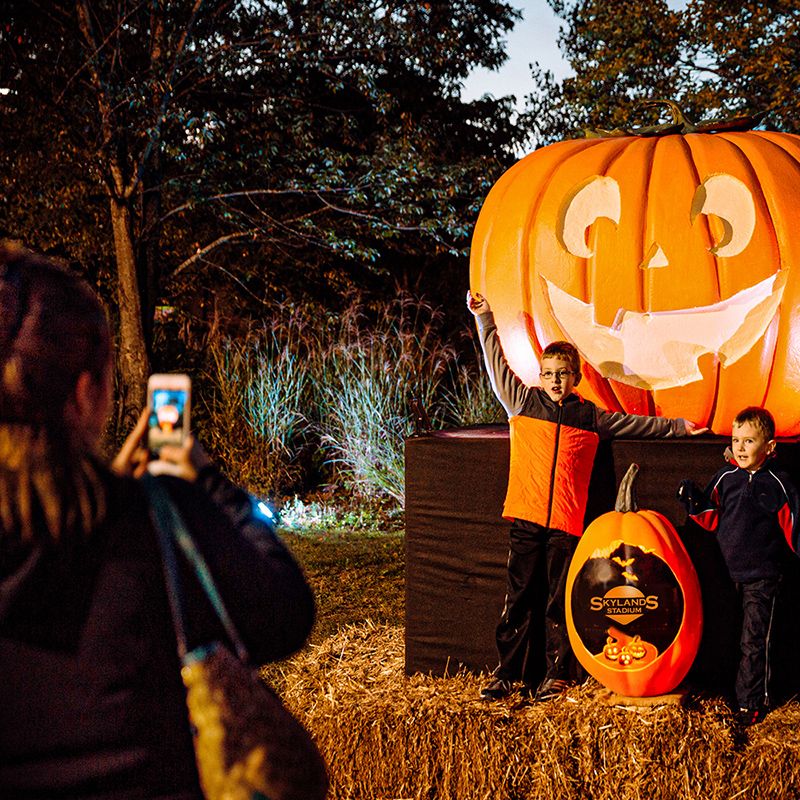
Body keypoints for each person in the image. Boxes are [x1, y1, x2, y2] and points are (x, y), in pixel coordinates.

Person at [0, 243, 316, 798]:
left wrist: (106, 484)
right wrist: (201, 480)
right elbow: (286, 612)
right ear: (85, 392)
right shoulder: (145, 519)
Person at [466, 290, 706, 703]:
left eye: (562, 374)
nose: (555, 381)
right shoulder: (522, 402)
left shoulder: (590, 417)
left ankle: (557, 675)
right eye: (548, 373)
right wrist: (484, 318)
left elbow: (637, 425)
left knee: (559, 602)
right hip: (525, 516)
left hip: (565, 522)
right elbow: (495, 362)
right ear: (539, 376)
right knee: (519, 598)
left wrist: (679, 428)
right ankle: (508, 674)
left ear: (575, 378)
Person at [678, 406, 800, 727]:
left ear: (770, 447)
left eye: (749, 441)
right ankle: (726, 694)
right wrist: (693, 502)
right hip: (727, 574)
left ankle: (752, 703)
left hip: (763, 576)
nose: (741, 448)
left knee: (754, 640)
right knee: (727, 635)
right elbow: (712, 519)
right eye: (736, 441)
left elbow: (793, 527)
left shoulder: (778, 483)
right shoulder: (724, 478)